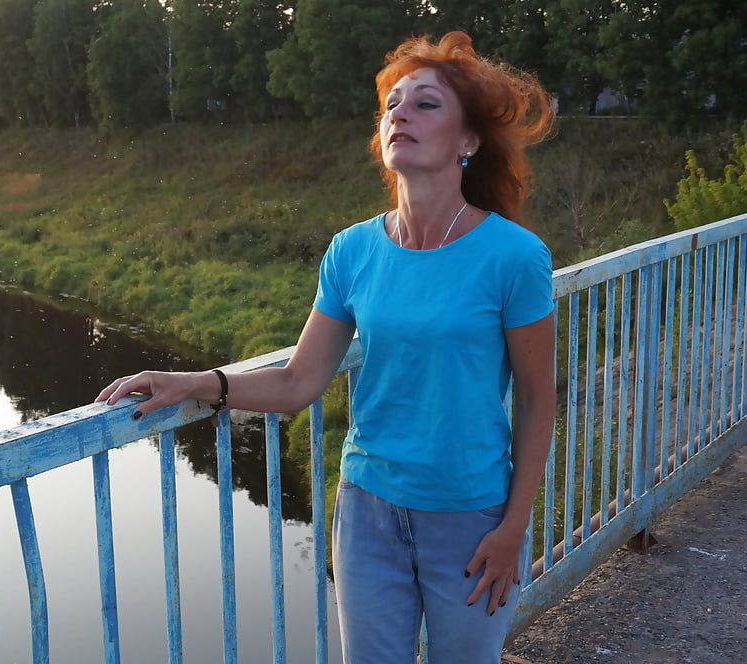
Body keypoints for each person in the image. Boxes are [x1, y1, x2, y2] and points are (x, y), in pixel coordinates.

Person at [97, 31, 555, 664]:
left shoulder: (513, 256)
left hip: (470, 518)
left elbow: (537, 400)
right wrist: (196, 383)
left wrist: (512, 529)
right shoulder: (353, 251)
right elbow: (297, 382)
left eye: (425, 103)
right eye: (393, 104)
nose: (400, 114)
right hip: (367, 512)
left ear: (468, 140)